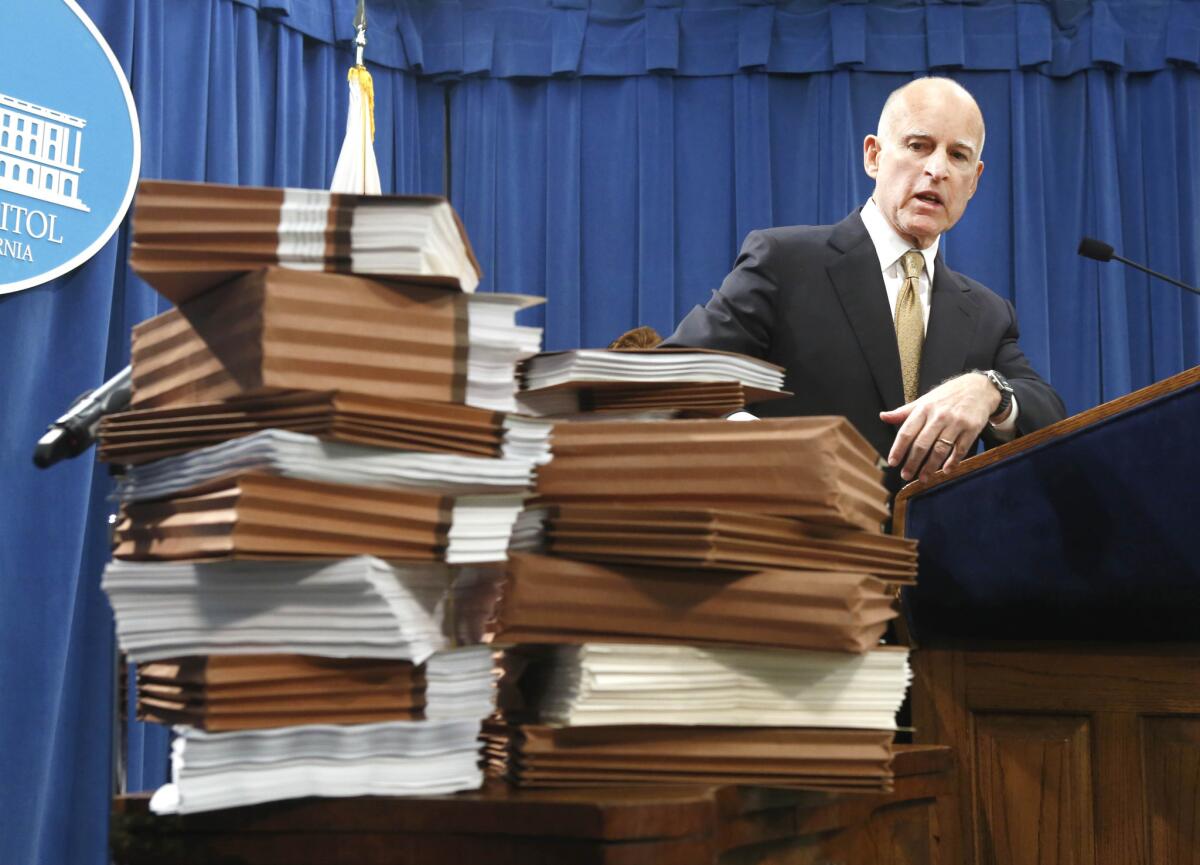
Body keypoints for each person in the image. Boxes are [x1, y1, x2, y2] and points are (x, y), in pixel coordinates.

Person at [661, 77, 1066, 493]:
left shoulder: (987, 312)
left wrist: (990, 392)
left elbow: (1048, 413)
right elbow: (672, 382)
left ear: (974, 180)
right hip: (801, 540)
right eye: (918, 146)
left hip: (929, 552)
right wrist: (769, 450)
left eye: (958, 155)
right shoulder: (784, 261)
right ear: (873, 156)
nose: (937, 169)